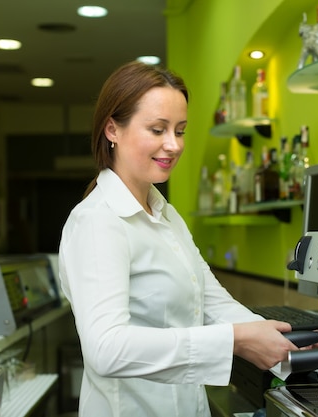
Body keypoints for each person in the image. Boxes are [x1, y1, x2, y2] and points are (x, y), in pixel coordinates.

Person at [58, 61, 300, 417]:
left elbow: (214, 302)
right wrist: (235, 340)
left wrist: (288, 347)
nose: (172, 145)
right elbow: (106, 349)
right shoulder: (97, 221)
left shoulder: (165, 214)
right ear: (113, 129)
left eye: (180, 131)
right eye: (157, 129)